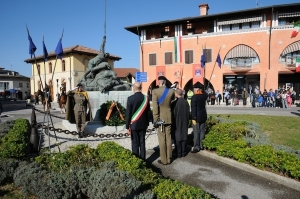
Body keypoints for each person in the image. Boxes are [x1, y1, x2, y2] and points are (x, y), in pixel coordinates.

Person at [152, 76, 175, 165]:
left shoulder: (155, 91)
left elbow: (155, 107)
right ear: (165, 82)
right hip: (169, 116)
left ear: (160, 82)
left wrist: (155, 119)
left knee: (162, 139)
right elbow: (172, 100)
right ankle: (169, 158)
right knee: (168, 138)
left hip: (160, 118)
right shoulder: (171, 91)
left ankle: (164, 160)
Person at [125, 82, 150, 160]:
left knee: (135, 143)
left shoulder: (130, 98)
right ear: (141, 88)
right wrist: (147, 123)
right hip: (143, 124)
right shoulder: (146, 98)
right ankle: (143, 160)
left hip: (134, 125)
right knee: (142, 143)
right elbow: (148, 112)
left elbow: (128, 113)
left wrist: (127, 126)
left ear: (133, 88)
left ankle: (136, 160)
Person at [191, 81, 208, 153]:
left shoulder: (194, 97)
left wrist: (193, 117)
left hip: (196, 117)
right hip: (203, 116)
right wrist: (202, 90)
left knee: (196, 132)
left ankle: (196, 147)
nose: (193, 90)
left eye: (194, 89)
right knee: (202, 131)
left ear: (197, 89)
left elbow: (193, 108)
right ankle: (201, 145)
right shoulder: (204, 96)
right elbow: (206, 94)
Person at [173, 89, 190, 158]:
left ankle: (178, 153)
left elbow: (174, 113)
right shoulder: (186, 102)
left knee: (178, 137)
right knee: (184, 136)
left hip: (177, 121)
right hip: (185, 121)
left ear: (176, 94)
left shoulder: (175, 102)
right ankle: (184, 152)